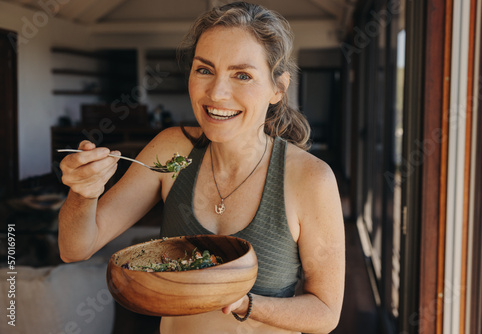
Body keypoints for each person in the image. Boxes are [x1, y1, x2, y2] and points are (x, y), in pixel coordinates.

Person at [58, 2, 345, 333]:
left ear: (277, 88)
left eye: (242, 75)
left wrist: (243, 303)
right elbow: (74, 248)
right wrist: (84, 191)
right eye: (204, 70)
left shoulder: (310, 178)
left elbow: (325, 313)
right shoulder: (171, 150)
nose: (217, 93)